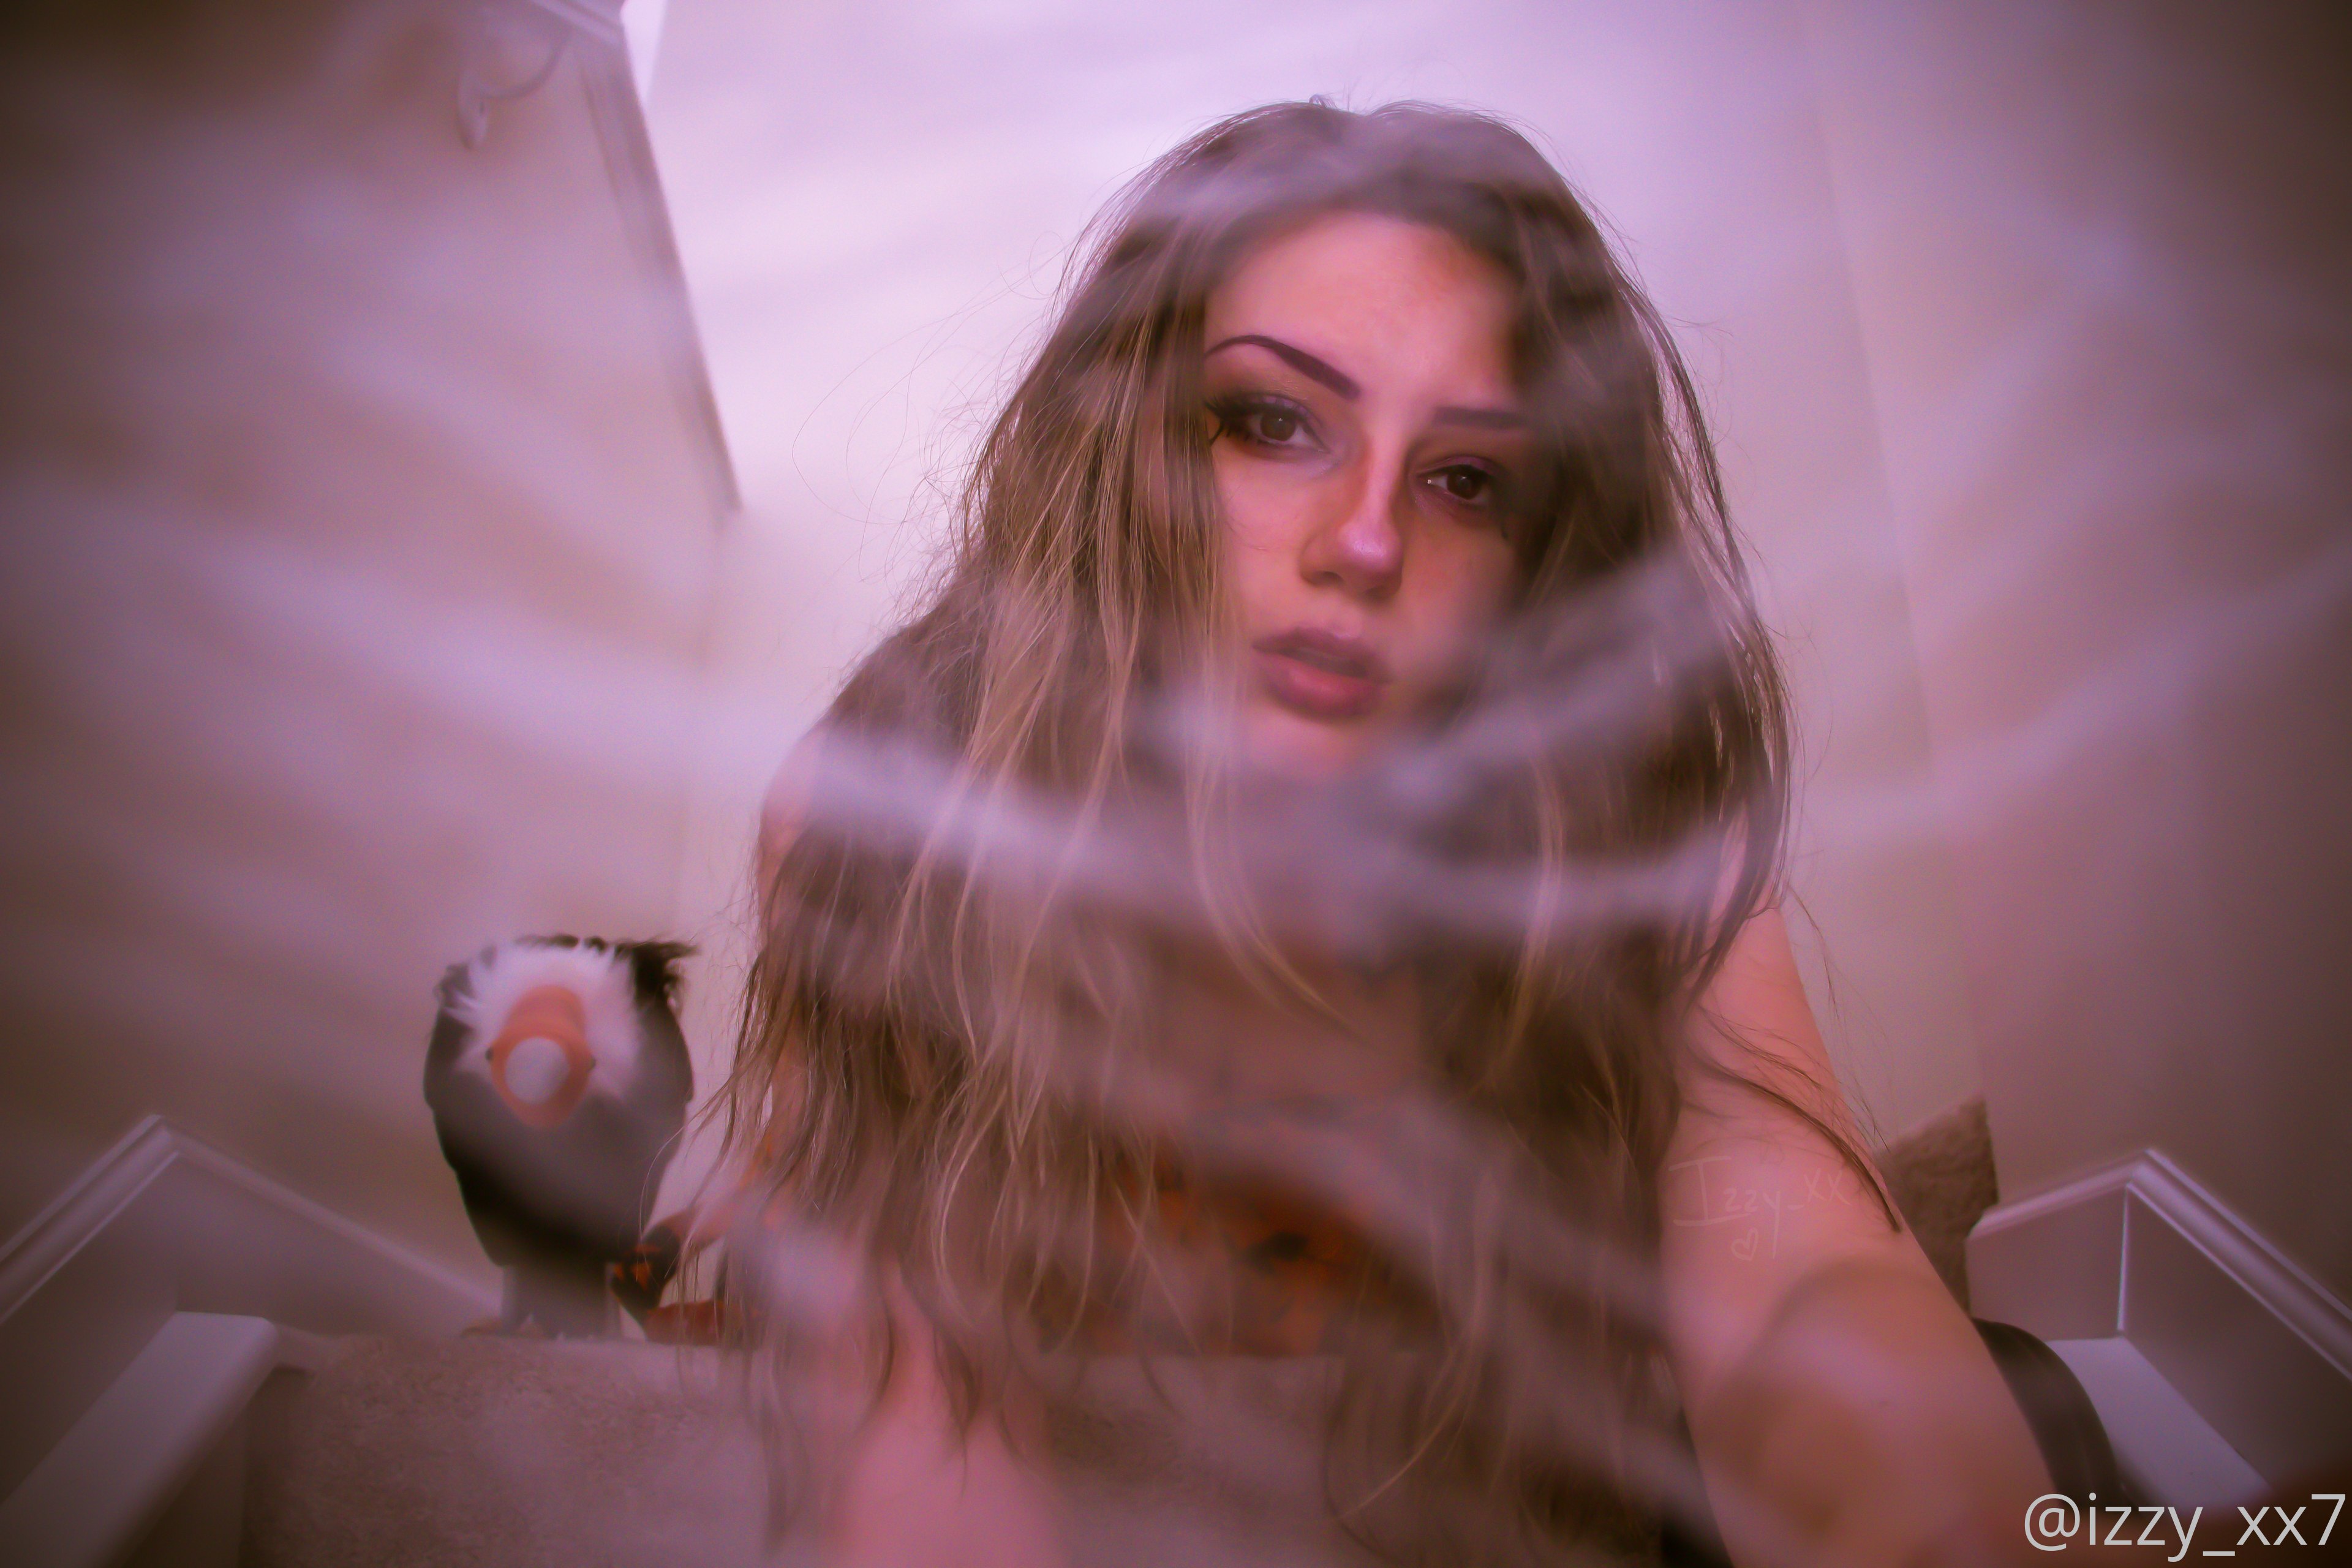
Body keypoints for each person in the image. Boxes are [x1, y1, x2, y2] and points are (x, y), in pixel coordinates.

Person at [717, 100, 2054, 1567]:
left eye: (1467, 478)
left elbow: (1798, 1262)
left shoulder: (1615, 821)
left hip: (1551, 1482)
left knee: (2034, 1412)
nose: (1365, 539)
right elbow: (912, 1413)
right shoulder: (902, 805)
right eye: (1271, 422)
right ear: (1121, 443)